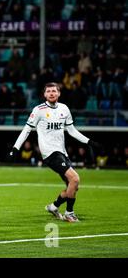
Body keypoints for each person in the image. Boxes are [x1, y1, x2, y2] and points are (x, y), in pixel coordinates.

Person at [9, 82, 101, 222]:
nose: (51, 93)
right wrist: (16, 147)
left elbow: (72, 131)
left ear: (59, 93)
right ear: (44, 94)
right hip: (49, 153)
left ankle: (54, 206)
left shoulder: (64, 108)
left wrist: (89, 142)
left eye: (54, 91)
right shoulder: (38, 110)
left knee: (73, 187)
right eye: (49, 91)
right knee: (75, 178)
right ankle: (69, 213)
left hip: (62, 152)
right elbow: (26, 130)